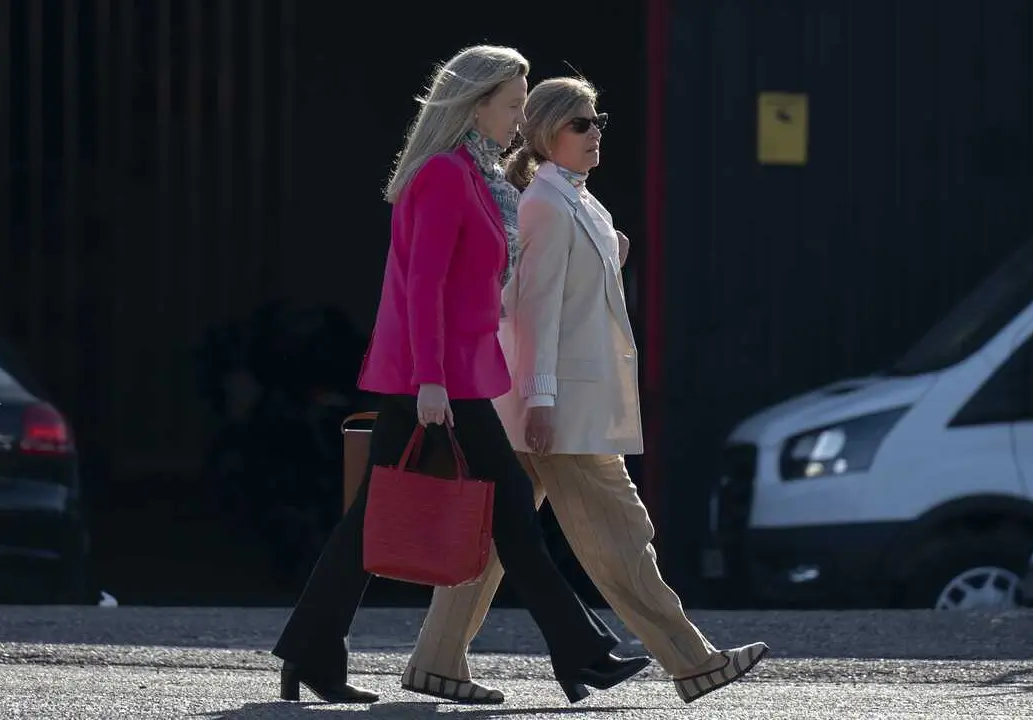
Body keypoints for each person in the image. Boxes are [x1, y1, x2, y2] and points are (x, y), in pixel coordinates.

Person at [270, 48, 650, 706]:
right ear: (475, 106)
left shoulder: (482, 177)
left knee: (376, 522)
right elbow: (424, 286)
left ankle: (310, 651)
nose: (520, 118)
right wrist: (430, 382)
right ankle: (580, 651)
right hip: (440, 377)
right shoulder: (446, 175)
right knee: (510, 515)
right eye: (511, 105)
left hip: (462, 370)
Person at [400, 77, 769, 705]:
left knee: (491, 537)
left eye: (597, 119)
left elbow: (555, 297)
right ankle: (691, 661)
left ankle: (435, 662)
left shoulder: (576, 199)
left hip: (552, 403)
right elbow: (536, 310)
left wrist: (610, 258)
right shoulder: (546, 201)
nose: (595, 131)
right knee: (620, 532)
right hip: (556, 407)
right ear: (546, 134)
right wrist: (541, 398)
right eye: (579, 123)